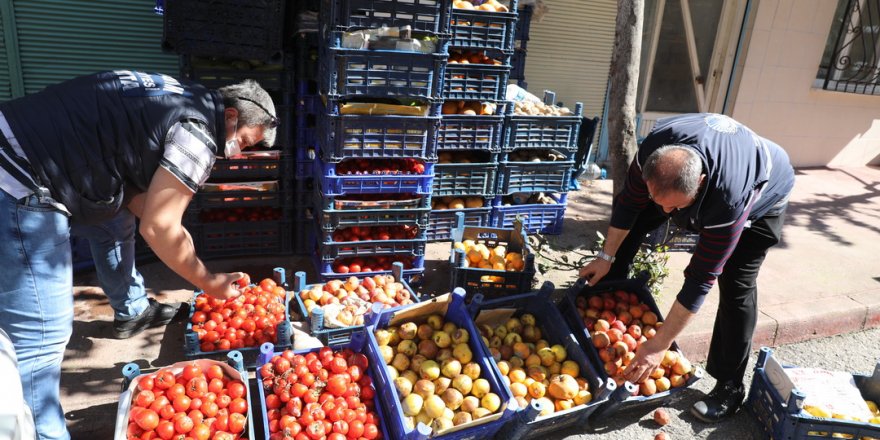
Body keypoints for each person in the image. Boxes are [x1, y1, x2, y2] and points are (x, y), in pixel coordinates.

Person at [0, 70, 278, 439]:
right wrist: (208, 282)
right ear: (231, 117)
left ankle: (131, 310)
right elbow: (160, 227)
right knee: (43, 336)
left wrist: (187, 249)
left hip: (35, 148)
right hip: (20, 175)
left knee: (115, 223)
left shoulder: (182, 98)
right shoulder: (198, 133)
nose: (239, 153)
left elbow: (145, 206)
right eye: (244, 141)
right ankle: (44, 433)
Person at [579, 113, 795, 422]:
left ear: (701, 184)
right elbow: (628, 205)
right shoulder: (651, 155)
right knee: (638, 217)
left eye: (676, 206)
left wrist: (658, 344)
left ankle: (729, 387)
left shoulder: (728, 199)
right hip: (701, 169)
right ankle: (601, 308)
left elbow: (700, 279)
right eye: (661, 201)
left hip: (767, 190)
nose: (667, 212)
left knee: (736, 283)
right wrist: (606, 256)